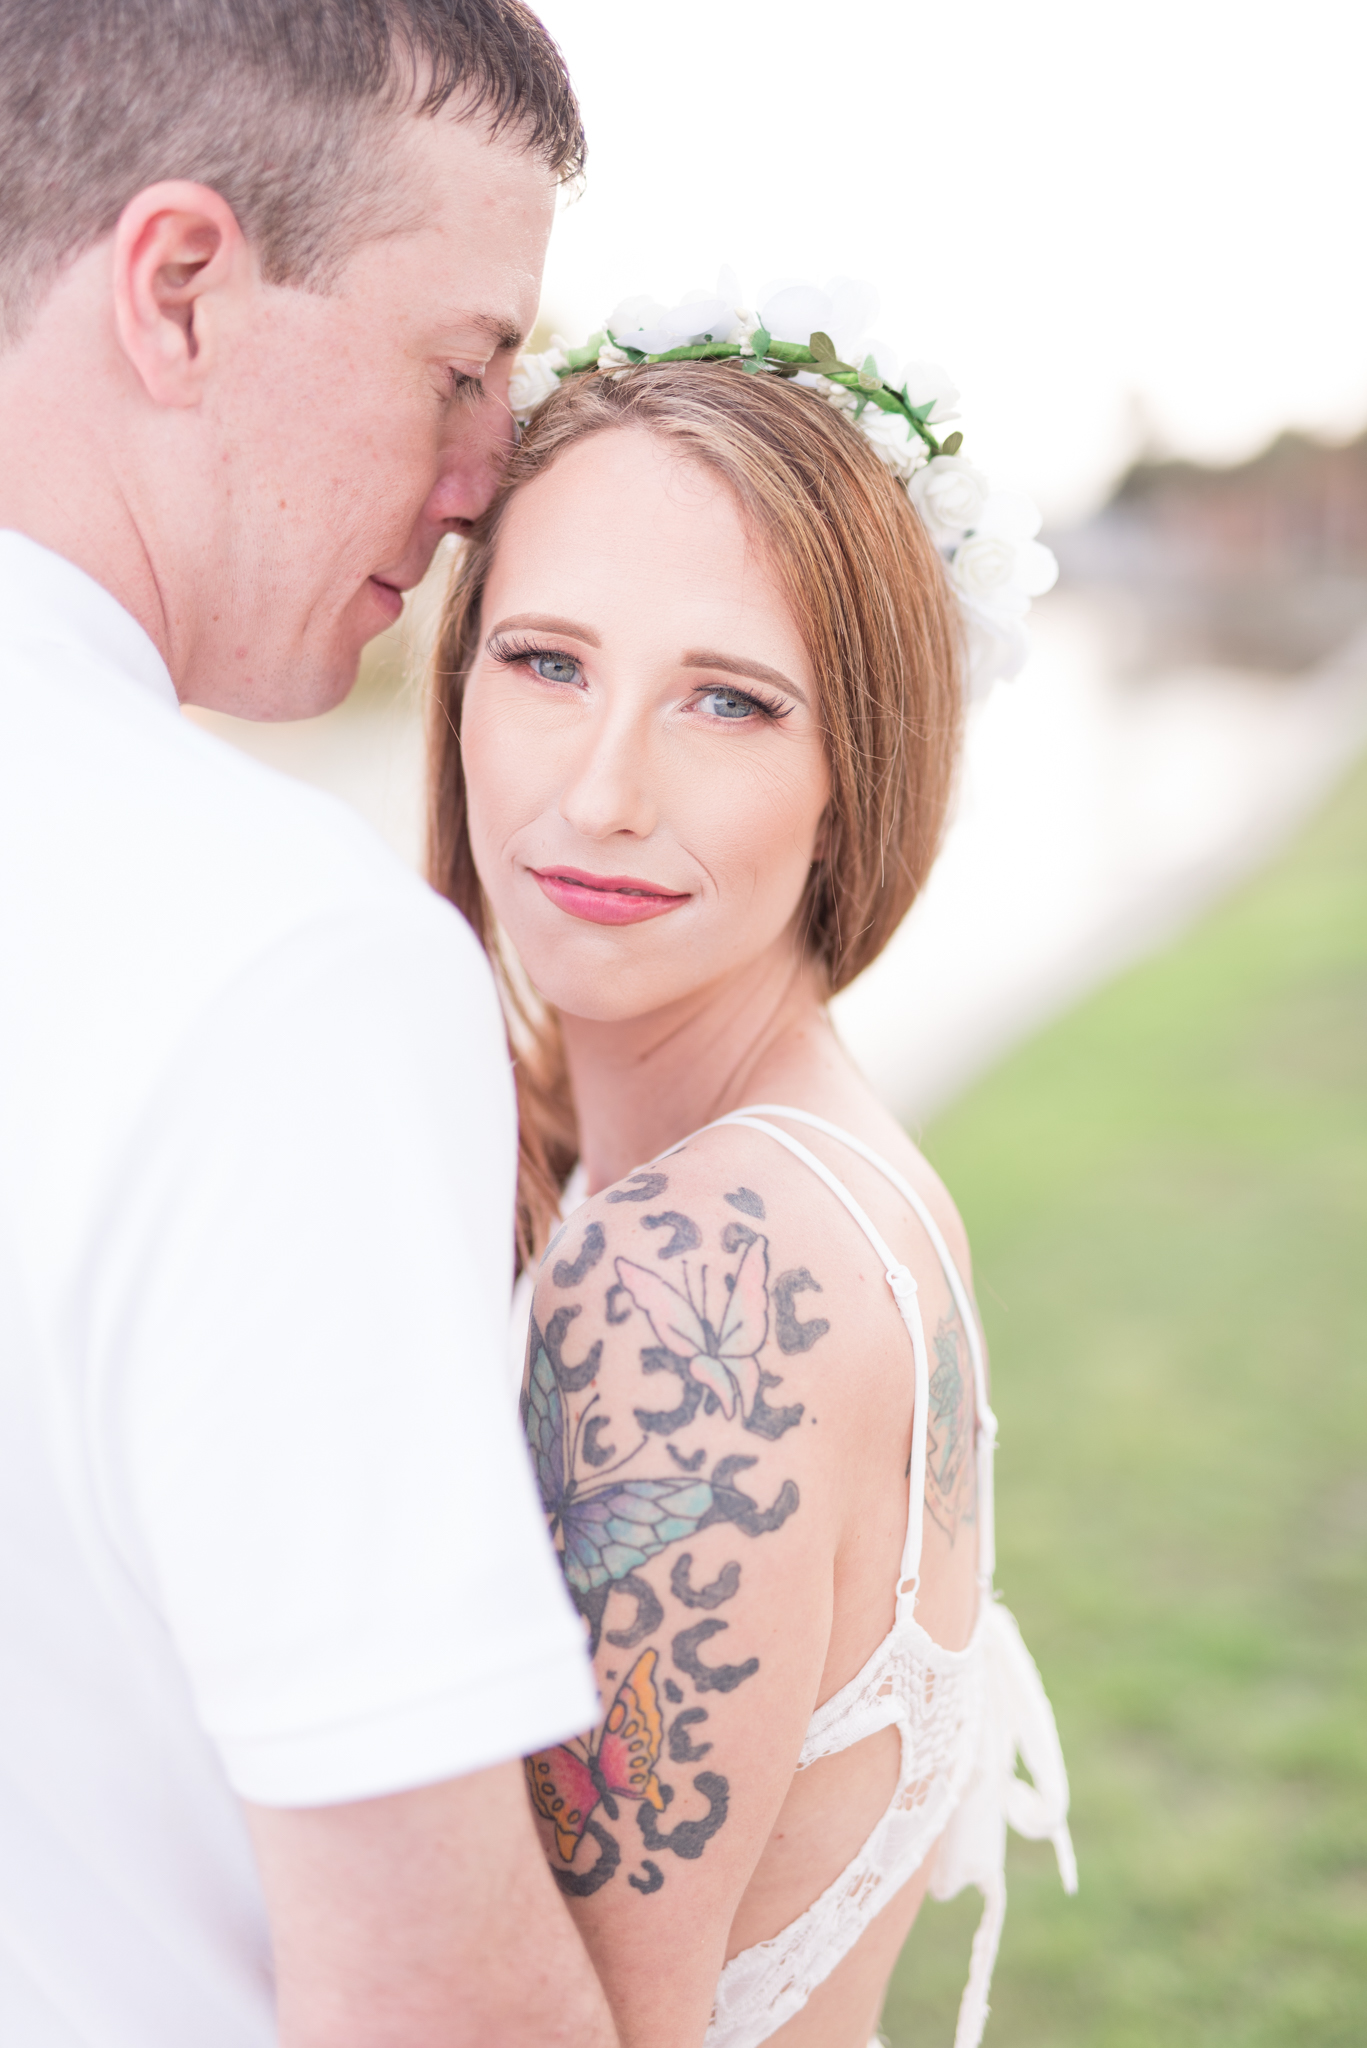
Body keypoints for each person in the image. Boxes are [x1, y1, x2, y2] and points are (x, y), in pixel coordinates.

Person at [0, 5, 618, 2045]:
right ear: (178, 287)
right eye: (463, 364)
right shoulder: (281, 954)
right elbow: (430, 1996)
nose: (482, 482)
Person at [427, 288, 1077, 2047]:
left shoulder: (706, 1261)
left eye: (728, 701)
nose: (605, 791)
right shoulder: (831, 1173)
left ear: (859, 764)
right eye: (548, 661)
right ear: (460, 677)